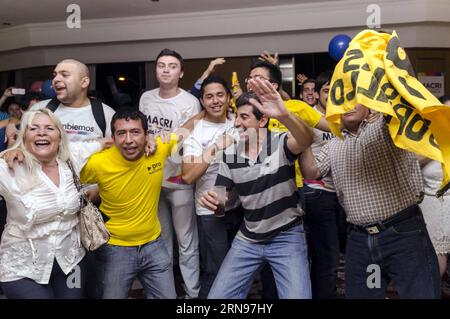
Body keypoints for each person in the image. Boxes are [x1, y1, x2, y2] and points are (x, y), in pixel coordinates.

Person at [300, 103, 441, 299]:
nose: (347, 105)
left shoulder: (385, 126)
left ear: (368, 105)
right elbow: (311, 172)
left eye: (353, 99)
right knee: (366, 294)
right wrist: (303, 140)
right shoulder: (333, 144)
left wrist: (382, 108)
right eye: (341, 101)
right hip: (362, 242)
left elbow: (404, 108)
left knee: (420, 294)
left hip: (402, 235)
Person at [201, 78, 314, 299]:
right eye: (236, 117)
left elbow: (306, 138)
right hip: (248, 239)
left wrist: (284, 115)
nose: (236, 123)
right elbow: (222, 201)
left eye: (244, 117)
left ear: (262, 120)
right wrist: (217, 204)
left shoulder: (281, 142)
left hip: (286, 236)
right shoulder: (230, 155)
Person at [80, 108, 198, 299]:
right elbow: (64, 168)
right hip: (115, 249)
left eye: (135, 132)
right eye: (121, 133)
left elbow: (186, 130)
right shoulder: (98, 163)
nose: (128, 140)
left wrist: (207, 113)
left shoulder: (158, 148)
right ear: (113, 137)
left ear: (146, 135)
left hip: (154, 245)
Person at [0, 108, 110, 298]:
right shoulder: (9, 168)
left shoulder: (70, 158)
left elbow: (107, 142)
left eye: (49, 128)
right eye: (33, 128)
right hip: (23, 269)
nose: (42, 132)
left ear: (60, 136)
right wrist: (6, 152)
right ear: (24, 136)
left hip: (71, 263)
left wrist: (150, 139)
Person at [139, 49, 201, 298]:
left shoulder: (190, 102)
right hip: (153, 178)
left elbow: (192, 141)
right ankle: (164, 293)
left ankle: (192, 295)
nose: (166, 69)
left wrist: (170, 139)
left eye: (172, 66)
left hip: (179, 179)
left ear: (181, 72)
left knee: (186, 242)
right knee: (161, 241)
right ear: (156, 70)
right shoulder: (146, 98)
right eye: (161, 65)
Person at [182, 76, 242, 298]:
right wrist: (216, 147)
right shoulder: (195, 133)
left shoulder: (239, 122)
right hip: (210, 212)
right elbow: (188, 176)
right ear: (202, 101)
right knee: (216, 271)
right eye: (209, 96)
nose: (215, 101)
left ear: (228, 98)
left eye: (220, 95)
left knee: (240, 271)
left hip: (239, 208)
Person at [301, 71, 345, 299]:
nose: (332, 94)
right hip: (318, 193)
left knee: (338, 254)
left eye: (336, 89)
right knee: (326, 257)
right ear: (316, 94)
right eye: (327, 90)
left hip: (345, 195)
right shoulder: (309, 117)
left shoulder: (345, 116)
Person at [31, 59, 115, 141]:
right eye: (54, 75)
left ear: (84, 82)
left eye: (64, 75)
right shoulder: (39, 109)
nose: (55, 79)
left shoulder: (106, 114)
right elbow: (23, 145)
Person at [418, 95, 450, 281]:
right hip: (432, 204)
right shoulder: (424, 138)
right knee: (435, 255)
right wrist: (437, 144)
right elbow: (412, 165)